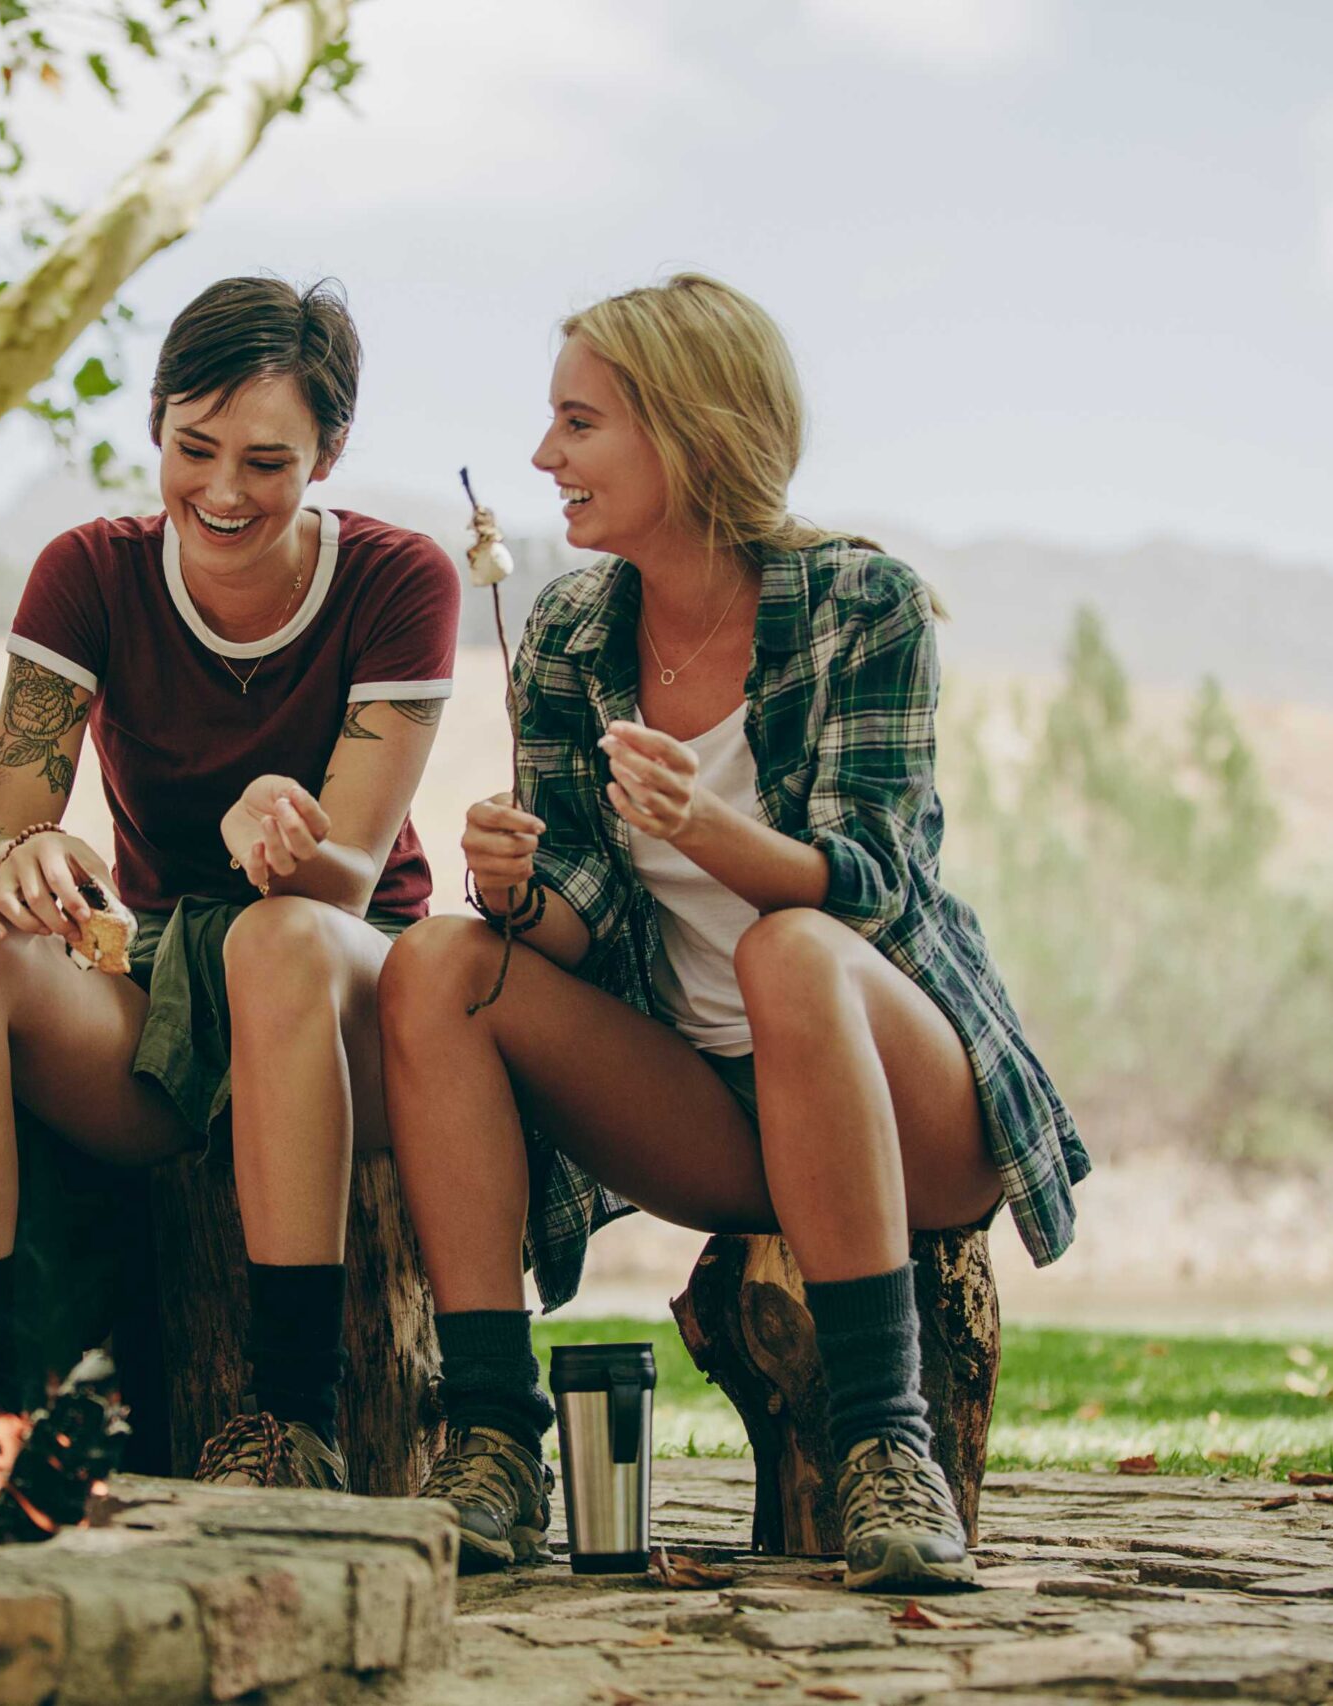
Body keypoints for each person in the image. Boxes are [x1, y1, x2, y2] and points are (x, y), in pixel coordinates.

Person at [378, 275, 1086, 1587]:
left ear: (689, 430)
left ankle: (886, 1442)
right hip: (708, 1113)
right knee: (438, 967)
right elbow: (585, 916)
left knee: (791, 947)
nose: (545, 458)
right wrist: (521, 890)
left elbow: (877, 885)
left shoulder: (859, 601)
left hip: (909, 1111)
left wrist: (710, 832)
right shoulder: (569, 630)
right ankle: (490, 1432)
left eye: (579, 423)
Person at [0, 277, 459, 1491]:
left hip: (352, 995)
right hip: (171, 994)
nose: (223, 492)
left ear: (330, 452)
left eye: (266, 461)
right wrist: (25, 858)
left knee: (280, 939)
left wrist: (280, 831)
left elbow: (349, 878)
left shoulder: (400, 580)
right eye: (193, 449)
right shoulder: (88, 572)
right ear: (155, 424)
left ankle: (290, 1413)